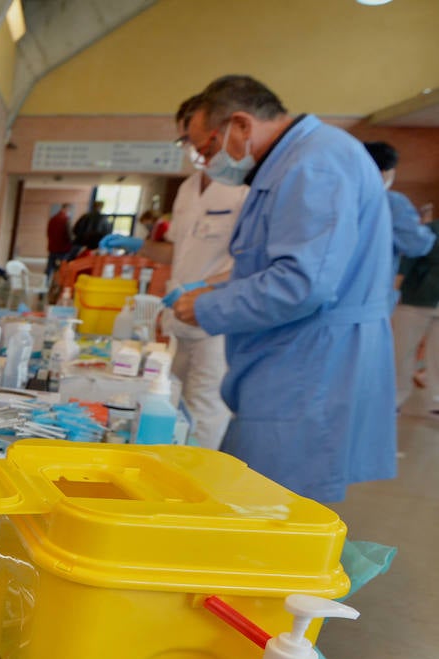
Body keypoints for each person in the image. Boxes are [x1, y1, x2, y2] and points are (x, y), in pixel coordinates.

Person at [171, 75, 395, 503]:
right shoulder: (291, 162)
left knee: (267, 510)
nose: (209, 162)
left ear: (240, 125)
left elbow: (302, 283)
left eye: (209, 148)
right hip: (294, 357)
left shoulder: (315, 165)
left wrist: (210, 306)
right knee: (253, 496)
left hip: (311, 368)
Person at [144, 93, 248, 450]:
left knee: (205, 410)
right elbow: (176, 250)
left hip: (215, 321)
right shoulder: (188, 188)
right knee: (170, 400)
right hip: (179, 315)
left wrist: (203, 285)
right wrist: (137, 247)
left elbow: (250, 266)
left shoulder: (244, 189)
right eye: (186, 140)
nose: (195, 149)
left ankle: (196, 488)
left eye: (198, 140)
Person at [362, 141, 436, 274]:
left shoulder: (339, 198)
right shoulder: (393, 203)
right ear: (386, 172)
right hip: (374, 286)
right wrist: (425, 225)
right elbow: (417, 246)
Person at [392, 218, 439, 411]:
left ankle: (436, 399)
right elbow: (407, 261)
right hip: (416, 299)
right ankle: (395, 398)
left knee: (437, 354)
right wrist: (395, 291)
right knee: (402, 351)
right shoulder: (430, 230)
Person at [46, 203, 74, 278]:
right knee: (62, 268)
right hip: (63, 248)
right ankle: (58, 283)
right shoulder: (66, 220)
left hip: (53, 246)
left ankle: (45, 282)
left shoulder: (53, 219)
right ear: (66, 209)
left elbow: (48, 232)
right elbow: (69, 235)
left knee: (50, 267)